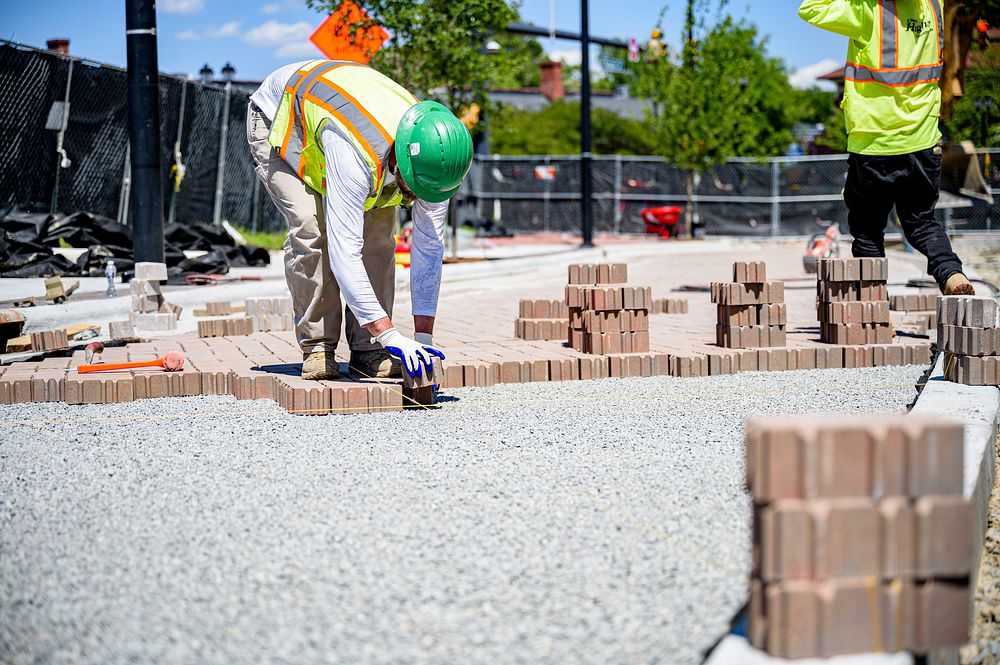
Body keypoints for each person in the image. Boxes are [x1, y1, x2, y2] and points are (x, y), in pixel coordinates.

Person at [247, 60, 473, 380]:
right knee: (312, 228)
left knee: (379, 238)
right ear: (400, 159)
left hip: (341, 128)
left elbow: (429, 249)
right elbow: (345, 251)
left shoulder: (440, 162)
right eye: (412, 187)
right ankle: (318, 345)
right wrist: (391, 333)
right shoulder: (356, 151)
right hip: (280, 120)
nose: (413, 199)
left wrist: (423, 338)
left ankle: (369, 350)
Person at [798, 0, 976, 295]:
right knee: (921, 222)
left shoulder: (867, 11)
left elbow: (810, 8)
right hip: (921, 141)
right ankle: (951, 273)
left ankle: (874, 307)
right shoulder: (934, 6)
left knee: (867, 232)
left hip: (873, 143)